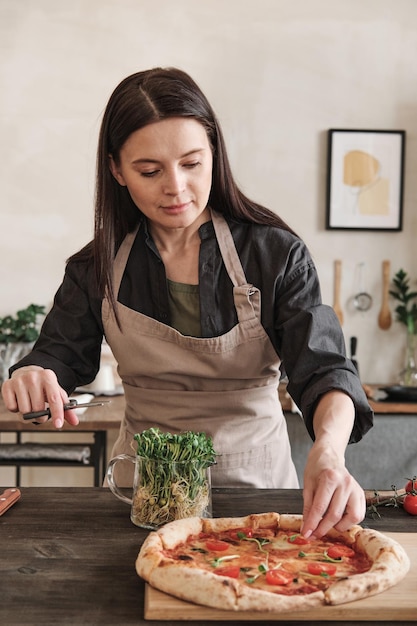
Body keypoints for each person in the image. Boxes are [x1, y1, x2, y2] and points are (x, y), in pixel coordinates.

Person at [1, 67, 373, 538]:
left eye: (192, 163)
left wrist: (328, 451)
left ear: (214, 154)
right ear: (116, 169)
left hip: (255, 498)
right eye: (149, 171)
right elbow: (57, 355)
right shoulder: (95, 267)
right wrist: (35, 374)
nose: (175, 187)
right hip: (142, 498)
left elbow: (324, 370)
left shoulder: (275, 254)